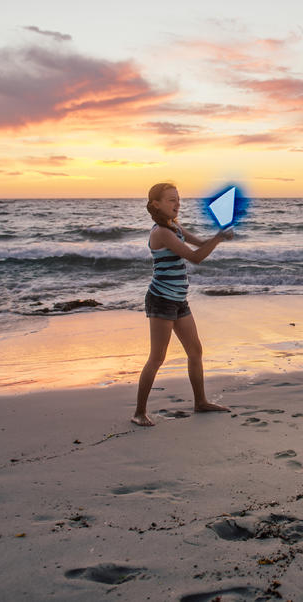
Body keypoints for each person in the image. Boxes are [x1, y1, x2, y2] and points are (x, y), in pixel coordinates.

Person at [132, 182, 233, 427]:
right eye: (171, 200)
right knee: (157, 358)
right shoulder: (161, 232)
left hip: (178, 299)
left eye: (178, 199)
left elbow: (199, 244)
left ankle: (200, 402)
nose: (177, 204)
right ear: (156, 204)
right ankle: (139, 412)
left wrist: (218, 235)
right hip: (161, 299)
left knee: (195, 351)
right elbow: (196, 257)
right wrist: (218, 238)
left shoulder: (174, 226)